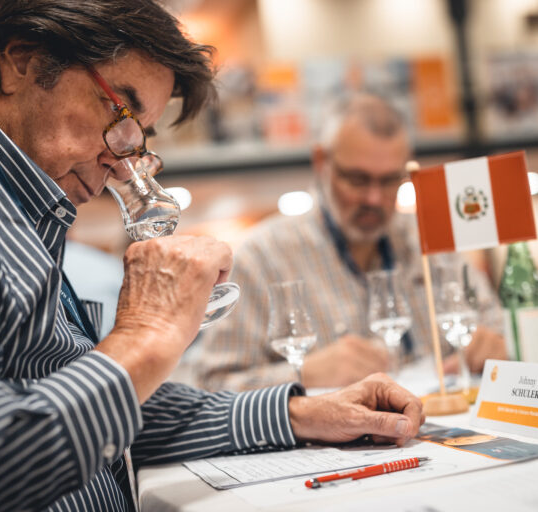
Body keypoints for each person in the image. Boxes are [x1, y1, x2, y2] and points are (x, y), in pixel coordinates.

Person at [0, 2, 425, 511]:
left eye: (138, 137)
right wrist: (146, 335)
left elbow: (102, 407)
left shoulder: (5, 197)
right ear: (22, 60)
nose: (125, 164)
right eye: (122, 113)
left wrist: (300, 412)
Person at [197, 93, 507, 391]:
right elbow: (212, 386)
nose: (374, 198)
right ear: (322, 162)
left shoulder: (430, 240)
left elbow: (499, 328)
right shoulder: (263, 258)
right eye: (357, 180)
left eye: (389, 181)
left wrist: (495, 345)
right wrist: (303, 373)